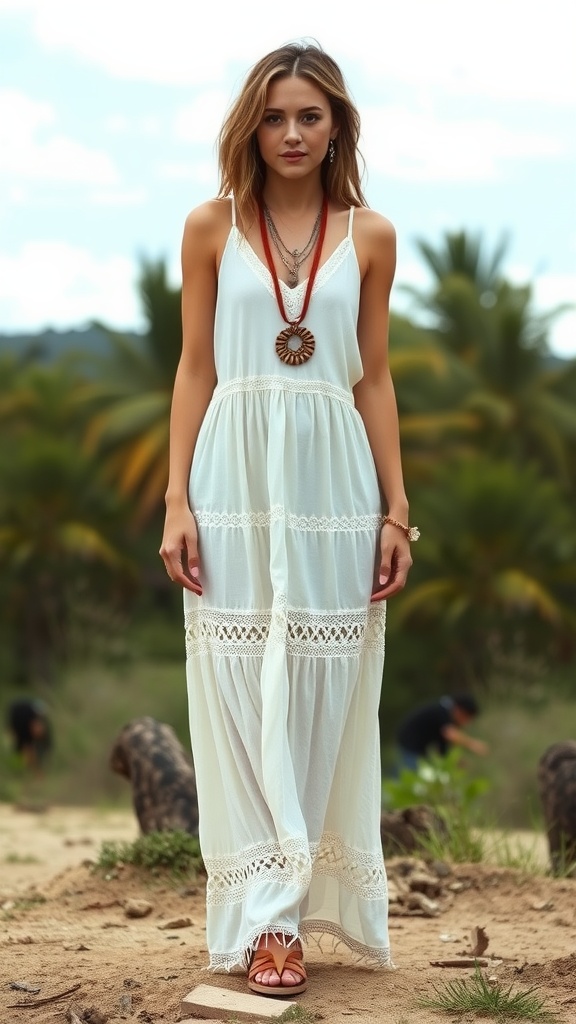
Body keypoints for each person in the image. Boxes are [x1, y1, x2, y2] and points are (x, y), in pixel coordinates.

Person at [159, 41, 417, 997]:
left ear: (337, 125)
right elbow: (195, 367)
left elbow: (374, 376)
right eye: (275, 116)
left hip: (333, 490)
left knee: (316, 692)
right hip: (231, 475)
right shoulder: (210, 228)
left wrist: (398, 508)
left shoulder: (374, 235)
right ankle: (266, 910)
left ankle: (285, 919)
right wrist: (177, 499)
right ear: (251, 127)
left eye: (310, 116)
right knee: (235, 690)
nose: (293, 133)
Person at [396, 694, 488, 770]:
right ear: (460, 710)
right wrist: (473, 744)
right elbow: (450, 734)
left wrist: (455, 761)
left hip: (418, 747)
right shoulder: (443, 711)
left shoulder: (445, 716)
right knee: (410, 773)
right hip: (410, 744)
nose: (466, 723)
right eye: (466, 718)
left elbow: (443, 747)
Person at [6, 697, 53, 771]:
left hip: (25, 719)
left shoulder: (41, 724)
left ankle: (30, 768)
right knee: (24, 749)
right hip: (18, 721)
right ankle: (22, 768)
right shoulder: (21, 728)